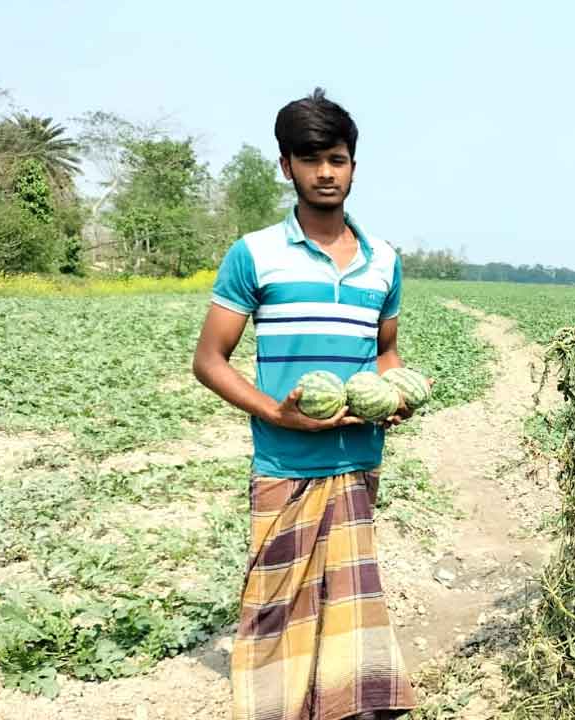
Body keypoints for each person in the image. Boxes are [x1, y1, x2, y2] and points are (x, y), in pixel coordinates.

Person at [192, 88, 417, 720]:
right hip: (285, 458)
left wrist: (395, 393)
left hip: (356, 455)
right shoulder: (256, 253)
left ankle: (357, 703)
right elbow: (209, 360)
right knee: (277, 599)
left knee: (347, 593)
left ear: (353, 166)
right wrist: (273, 411)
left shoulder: (385, 263)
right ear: (286, 165)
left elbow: (387, 351)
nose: (325, 172)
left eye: (337, 159)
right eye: (310, 158)